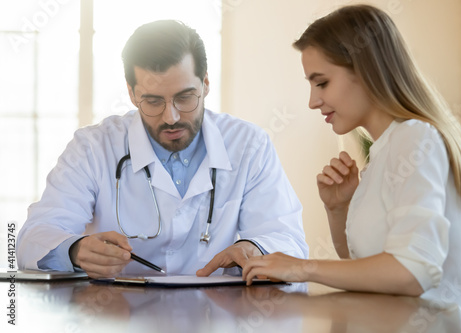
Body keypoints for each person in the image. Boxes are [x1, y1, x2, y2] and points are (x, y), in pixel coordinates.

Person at [243, 4, 461, 330]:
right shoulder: (385, 150)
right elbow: (369, 267)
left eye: (321, 83)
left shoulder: (415, 140)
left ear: (365, 71)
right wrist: (339, 209)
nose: (312, 101)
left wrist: (302, 267)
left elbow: (411, 272)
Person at [16, 20, 308, 279]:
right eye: (153, 101)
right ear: (131, 94)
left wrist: (253, 247)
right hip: (117, 315)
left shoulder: (249, 145)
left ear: (205, 84)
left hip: (219, 314)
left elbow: (288, 239)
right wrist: (75, 250)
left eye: (185, 97)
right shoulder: (93, 147)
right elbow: (34, 237)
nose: (172, 117)